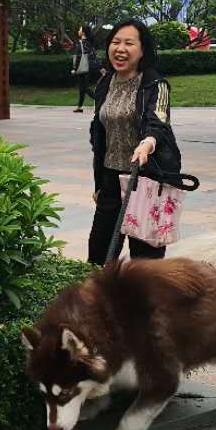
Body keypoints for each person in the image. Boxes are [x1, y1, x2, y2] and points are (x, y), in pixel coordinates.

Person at [87, 18, 184, 265]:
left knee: (145, 263)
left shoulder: (154, 84)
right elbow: (99, 134)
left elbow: (158, 124)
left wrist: (147, 143)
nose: (120, 49)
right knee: (99, 256)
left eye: (129, 43)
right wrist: (99, 183)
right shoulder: (104, 83)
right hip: (110, 181)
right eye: (115, 42)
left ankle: (146, 304)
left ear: (142, 50)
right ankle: (104, 304)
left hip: (144, 180)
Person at [70, 25, 98, 113]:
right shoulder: (89, 42)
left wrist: (74, 68)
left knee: (84, 88)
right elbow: (93, 55)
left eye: (80, 29)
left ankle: (100, 101)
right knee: (82, 87)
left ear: (83, 32)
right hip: (90, 66)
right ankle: (79, 107)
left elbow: (78, 57)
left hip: (82, 67)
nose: (78, 31)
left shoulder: (80, 42)